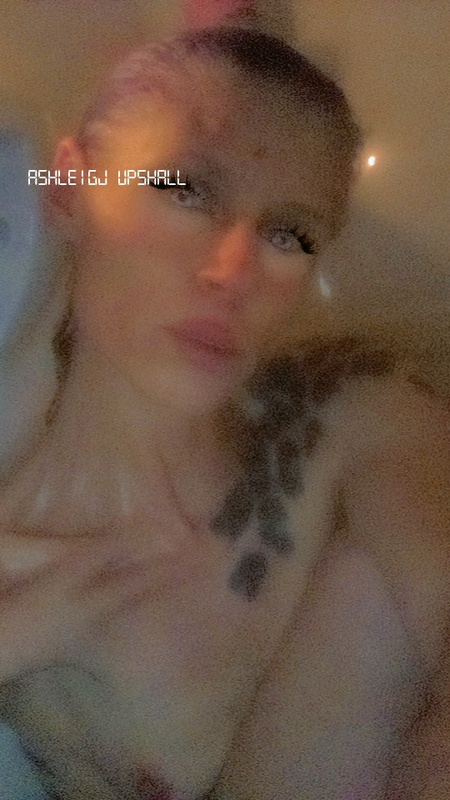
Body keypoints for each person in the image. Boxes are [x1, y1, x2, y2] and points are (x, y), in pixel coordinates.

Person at [0, 25, 449, 800]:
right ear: (70, 190)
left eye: (290, 234)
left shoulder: (347, 408)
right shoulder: (21, 562)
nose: (232, 272)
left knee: (367, 589)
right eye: (186, 190)